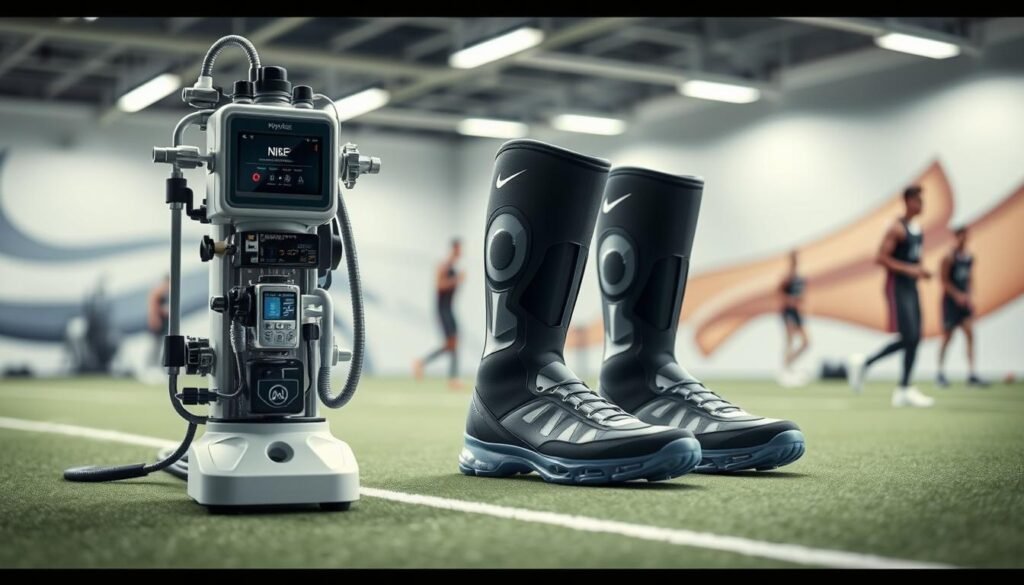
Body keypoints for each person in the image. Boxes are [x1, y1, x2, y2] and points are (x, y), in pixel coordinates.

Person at [848, 186, 935, 407]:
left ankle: (885, 376)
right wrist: (909, 269)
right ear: (907, 201)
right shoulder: (897, 228)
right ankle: (899, 385)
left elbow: (913, 260)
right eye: (918, 200)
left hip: (912, 287)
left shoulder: (918, 230)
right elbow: (881, 257)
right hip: (897, 287)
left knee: (914, 338)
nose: (922, 204)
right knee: (910, 336)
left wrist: (921, 271)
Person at [937, 226, 988, 388]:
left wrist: (969, 295)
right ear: (956, 237)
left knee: (970, 334)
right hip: (950, 304)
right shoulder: (948, 257)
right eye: (961, 236)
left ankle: (972, 373)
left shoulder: (969, 258)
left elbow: (969, 279)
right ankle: (940, 372)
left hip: (964, 304)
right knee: (947, 337)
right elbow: (944, 281)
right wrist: (957, 295)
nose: (963, 239)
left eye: (966, 236)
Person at [413, 239, 465, 390]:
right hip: (442, 310)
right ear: (453, 249)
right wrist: (456, 280)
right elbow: (440, 285)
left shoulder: (453, 268)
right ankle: (423, 364)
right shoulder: (443, 266)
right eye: (458, 249)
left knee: (453, 343)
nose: (460, 252)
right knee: (451, 343)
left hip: (449, 308)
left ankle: (424, 364)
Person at [778, 250, 810, 387]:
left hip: (797, 312)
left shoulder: (800, 278)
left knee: (806, 342)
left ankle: (788, 364)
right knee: (790, 340)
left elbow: (802, 296)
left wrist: (800, 302)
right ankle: (786, 370)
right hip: (788, 312)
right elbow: (780, 295)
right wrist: (789, 301)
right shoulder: (786, 279)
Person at [147, 273, 170, 366]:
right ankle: (151, 365)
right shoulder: (158, 293)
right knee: (156, 345)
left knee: (159, 345)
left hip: (162, 323)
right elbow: (154, 309)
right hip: (158, 323)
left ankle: (154, 364)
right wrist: (156, 320)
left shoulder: (164, 292)